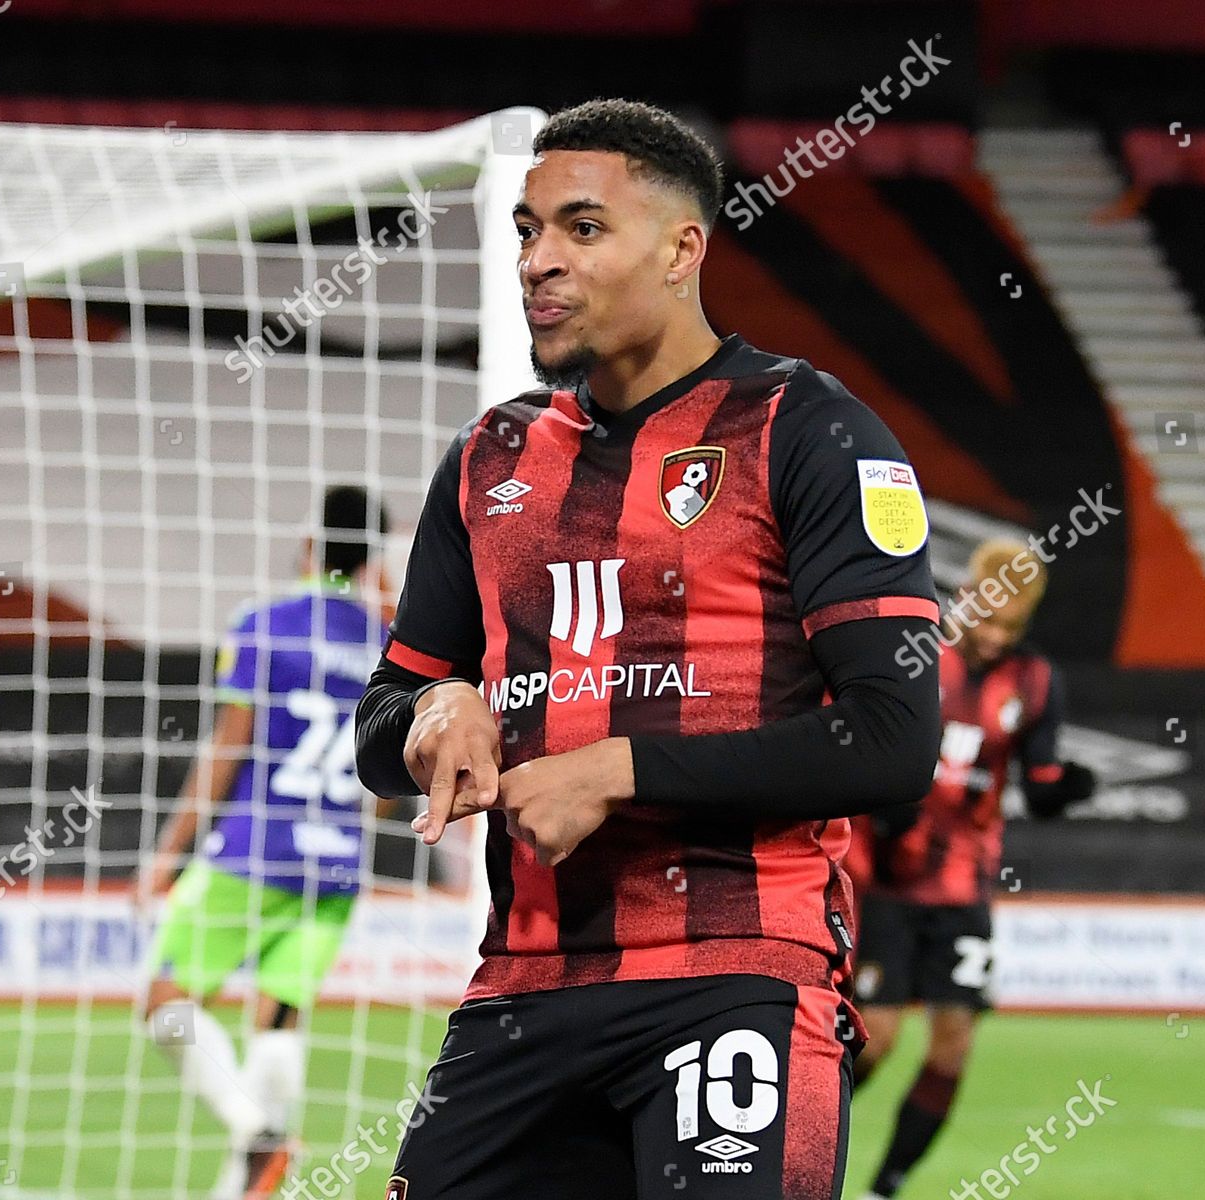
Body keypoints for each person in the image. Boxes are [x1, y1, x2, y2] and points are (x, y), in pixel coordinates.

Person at [354, 99, 942, 1200]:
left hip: (735, 976)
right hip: (521, 984)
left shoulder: (805, 430)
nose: (538, 262)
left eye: (582, 229)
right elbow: (386, 716)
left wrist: (618, 771)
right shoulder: (489, 460)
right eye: (527, 231)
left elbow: (891, 739)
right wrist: (434, 718)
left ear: (683, 249)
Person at [138, 485, 389, 1200]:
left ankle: (257, 1132)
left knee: (166, 1003)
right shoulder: (386, 644)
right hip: (337, 861)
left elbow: (228, 747)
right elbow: (384, 785)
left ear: (307, 546)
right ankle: (247, 1182)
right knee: (278, 1018)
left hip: (256, 849)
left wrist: (168, 854)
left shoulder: (267, 623)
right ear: (374, 560)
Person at [848, 538, 1096, 1200]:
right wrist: (882, 811)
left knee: (952, 1047)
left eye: (1011, 626)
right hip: (887, 882)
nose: (994, 635)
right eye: (988, 618)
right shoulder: (914, 655)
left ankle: (883, 1189)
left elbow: (1039, 780)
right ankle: (803, 1145)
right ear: (966, 598)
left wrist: (1066, 787)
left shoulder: (1037, 679)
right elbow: (854, 738)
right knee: (875, 1044)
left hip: (965, 885)